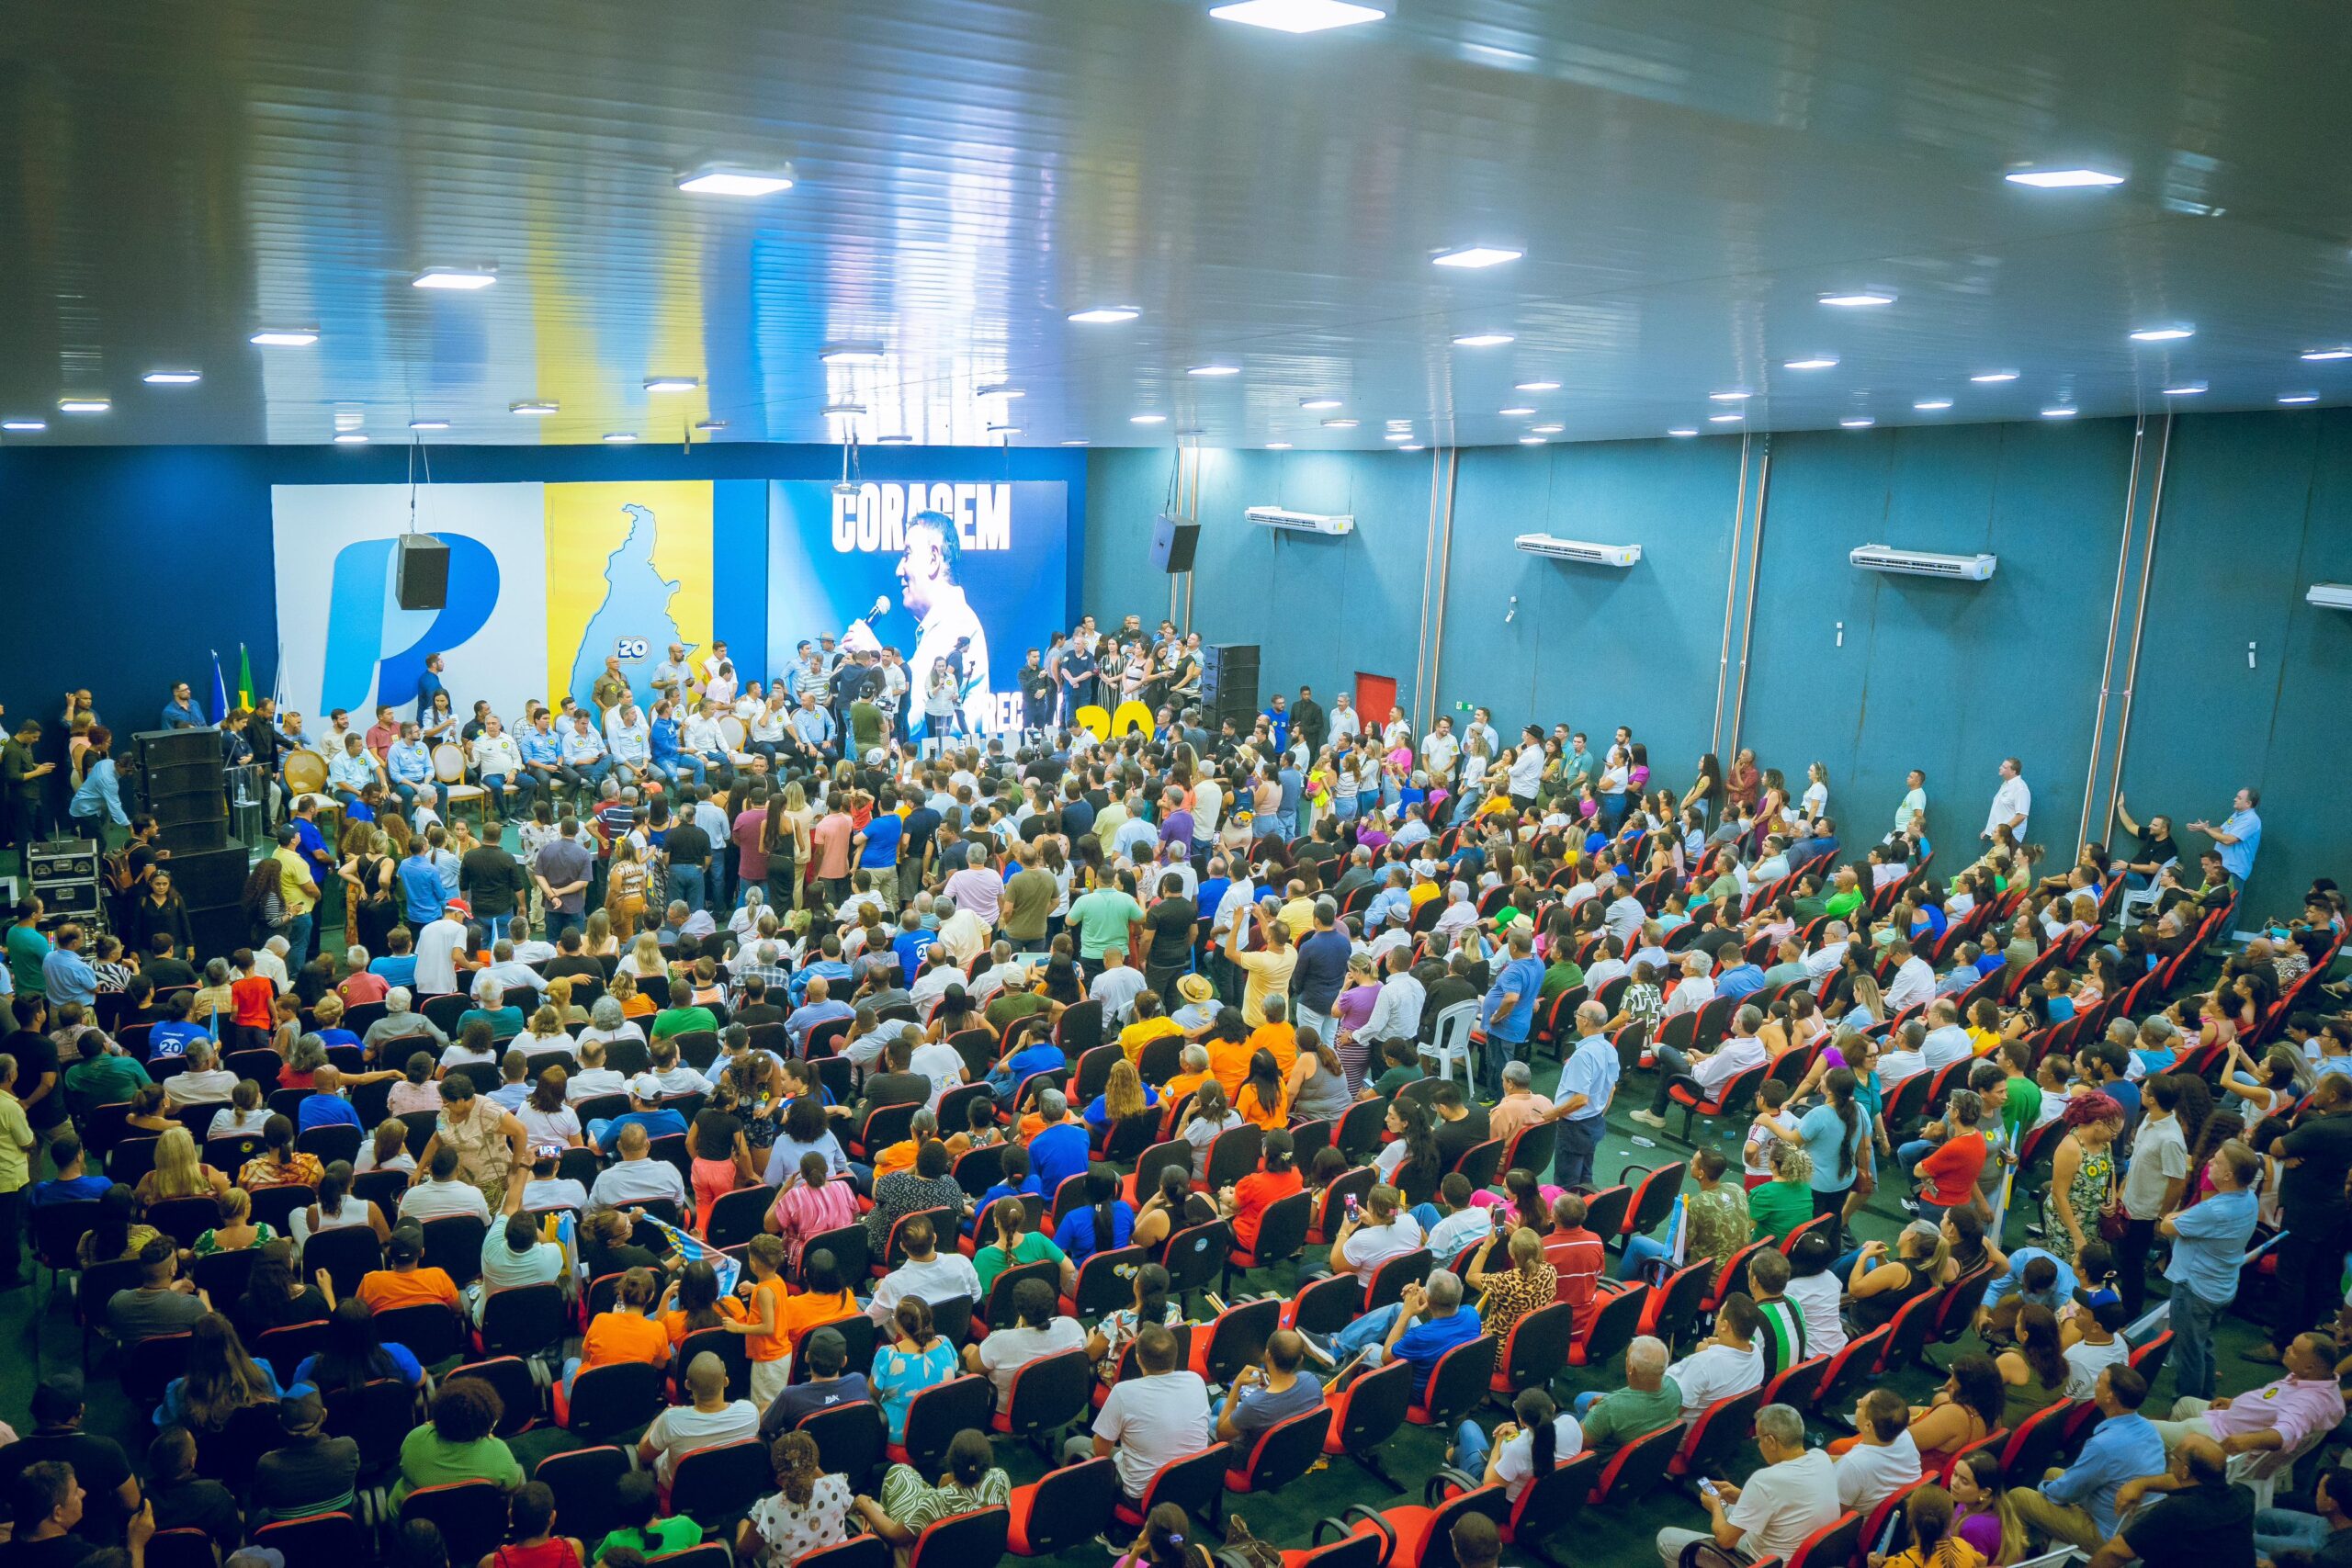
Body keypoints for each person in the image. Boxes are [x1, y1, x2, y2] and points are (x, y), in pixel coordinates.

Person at [1653, 1403, 1839, 1568]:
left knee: (1666, 1539)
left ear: (1771, 1441)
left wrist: (1715, 1506)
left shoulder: (1765, 1479)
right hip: (1800, 1553)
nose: (1758, 1446)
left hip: (1757, 1560)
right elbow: (1787, 1498)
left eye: (1758, 1439)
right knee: (1730, 1505)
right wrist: (1742, 1495)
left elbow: (1725, 1540)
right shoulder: (1821, 1457)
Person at [2007, 1364, 2164, 1552]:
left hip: (2107, 1537)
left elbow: (2062, 1494)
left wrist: (2043, 1490)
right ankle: (2044, 1546)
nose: (2095, 1385)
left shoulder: (2104, 1445)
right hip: (2132, 1525)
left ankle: (2015, 1558)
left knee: (2019, 1496)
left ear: (2110, 1396)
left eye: (2099, 1381)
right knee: (2052, 1473)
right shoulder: (2148, 1428)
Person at [1075, 1322, 1212, 1516]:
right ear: (1176, 1355)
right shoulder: (1196, 1381)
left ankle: (1106, 1530)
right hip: (1191, 1485)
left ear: (1138, 1358)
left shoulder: (1123, 1392)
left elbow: (1100, 1451)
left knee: (1075, 1445)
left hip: (1141, 1497)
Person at [2161, 1139, 2260, 1400]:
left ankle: (2186, 1407)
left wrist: (2172, 1216)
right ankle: (2205, 1399)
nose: (2209, 1163)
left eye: (2216, 1161)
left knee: (2189, 1354)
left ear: (2228, 1175)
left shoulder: (2214, 1210)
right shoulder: (2249, 1198)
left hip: (2195, 1290)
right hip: (2222, 1287)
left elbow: (2167, 1226)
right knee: (2203, 1346)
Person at [854, 1429, 1012, 1566]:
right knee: (904, 1472)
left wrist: (864, 1505)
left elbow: (894, 1535)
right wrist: (955, 1478)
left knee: (898, 1471)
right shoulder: (1000, 1479)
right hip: (976, 1554)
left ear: (950, 1461)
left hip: (932, 1559)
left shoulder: (936, 1503)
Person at [2098, 1435, 2256, 1568]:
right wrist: (2142, 1483)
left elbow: (2115, 1553)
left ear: (2185, 1471)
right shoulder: (2244, 1496)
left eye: (2175, 1457)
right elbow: (2187, 1482)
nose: (2172, 1459)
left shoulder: (2177, 1510)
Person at [391, 1377, 525, 1506]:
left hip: (416, 1519)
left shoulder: (416, 1438)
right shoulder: (499, 1453)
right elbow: (512, 1485)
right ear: (486, 1425)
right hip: (474, 1521)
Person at [639, 1352, 759, 1487]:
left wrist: (655, 1423)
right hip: (730, 1482)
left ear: (687, 1385)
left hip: (683, 1491)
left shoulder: (671, 1420)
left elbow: (644, 1455)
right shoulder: (749, 1411)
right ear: (726, 1382)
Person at [738, 1431, 852, 1565]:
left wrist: (742, 1527)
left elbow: (744, 1552)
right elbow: (826, 1482)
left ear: (777, 1473)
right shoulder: (837, 1486)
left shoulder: (768, 1510)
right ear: (815, 1464)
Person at [1835, 1388, 1924, 1515]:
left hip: (1864, 1530)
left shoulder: (1853, 1465)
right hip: (1904, 1515)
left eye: (1861, 1406)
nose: (1857, 1401)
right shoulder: (1904, 1436)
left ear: (1868, 1426)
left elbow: (1834, 1514)